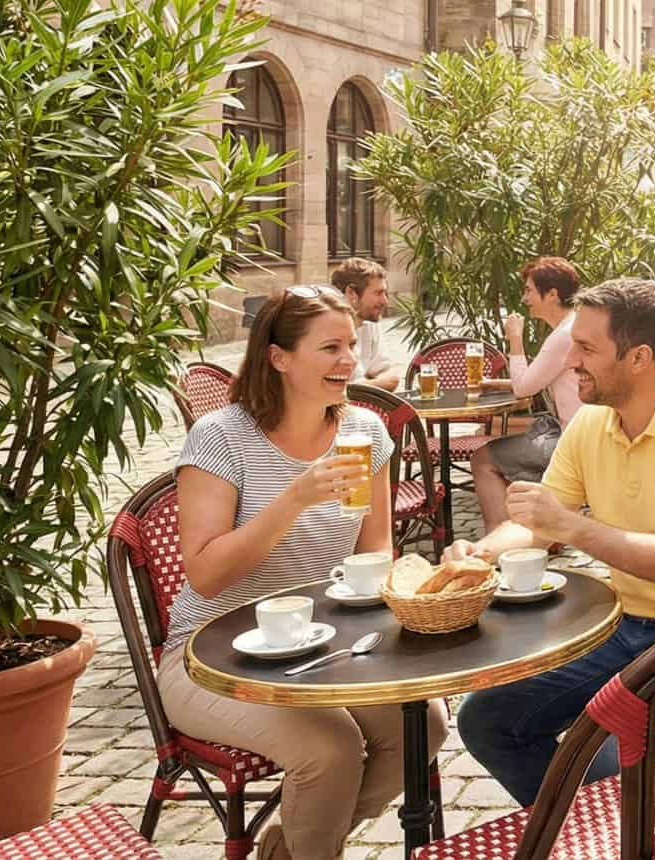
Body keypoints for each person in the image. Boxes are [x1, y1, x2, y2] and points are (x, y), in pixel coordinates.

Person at [448, 279, 655, 805]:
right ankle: (593, 828)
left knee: (617, 767)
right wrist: (482, 552)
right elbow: (539, 519)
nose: (570, 358)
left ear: (640, 357)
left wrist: (575, 529)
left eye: (586, 348)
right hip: (625, 630)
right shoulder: (592, 422)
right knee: (488, 719)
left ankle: (646, 824)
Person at [159, 287, 443, 860]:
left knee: (426, 724)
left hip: (323, 650)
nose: (348, 360)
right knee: (332, 749)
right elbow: (206, 574)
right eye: (330, 347)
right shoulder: (221, 436)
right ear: (278, 357)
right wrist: (292, 499)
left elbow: (375, 553)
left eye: (350, 345)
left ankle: (291, 849)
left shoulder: (364, 432)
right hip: (209, 659)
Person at [469, 257, 584, 530]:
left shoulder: (563, 336)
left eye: (530, 290)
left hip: (572, 441)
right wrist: (495, 383)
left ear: (553, 294)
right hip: (575, 431)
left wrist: (515, 339)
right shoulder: (574, 326)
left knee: (483, 458)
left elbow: (524, 388)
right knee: (515, 448)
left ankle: (497, 537)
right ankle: (542, 530)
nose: (524, 298)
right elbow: (536, 379)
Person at [331, 258, 401, 390]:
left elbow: (391, 376)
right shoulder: (329, 329)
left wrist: (365, 384)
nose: (385, 301)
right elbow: (348, 390)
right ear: (351, 293)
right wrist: (375, 383)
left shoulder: (370, 324)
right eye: (378, 293)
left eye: (385, 293)